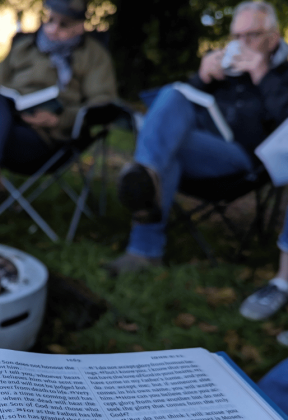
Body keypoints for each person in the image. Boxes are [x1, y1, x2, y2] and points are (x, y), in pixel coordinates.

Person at [106, 1, 288, 275]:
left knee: (166, 147)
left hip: (245, 159)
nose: (242, 42)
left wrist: (262, 74)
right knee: (173, 94)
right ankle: (146, 191)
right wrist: (201, 78)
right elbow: (190, 102)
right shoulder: (225, 65)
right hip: (201, 142)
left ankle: (143, 193)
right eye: (237, 36)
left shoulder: (283, 73)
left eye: (252, 35)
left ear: (273, 38)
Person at [0, 0, 117, 234]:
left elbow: (102, 104)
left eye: (63, 24)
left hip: (45, 139)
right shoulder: (24, 45)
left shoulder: (93, 56)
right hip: (3, 122)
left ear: (80, 26)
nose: (52, 28)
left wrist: (60, 119)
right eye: (49, 20)